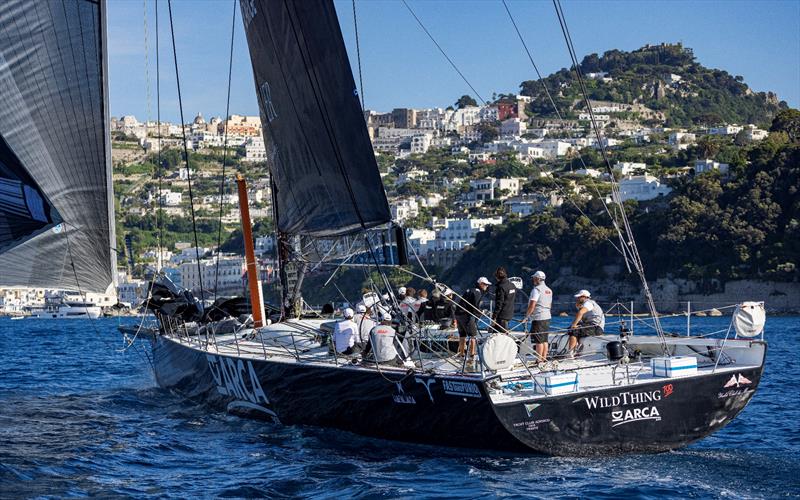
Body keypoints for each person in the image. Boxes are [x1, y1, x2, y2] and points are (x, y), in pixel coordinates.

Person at [455, 277, 490, 357]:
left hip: (458, 314)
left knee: (462, 335)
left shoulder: (470, 290)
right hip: (466, 315)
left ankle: (462, 354)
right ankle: (472, 354)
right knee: (473, 336)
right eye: (485, 284)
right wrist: (481, 312)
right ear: (480, 284)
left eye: (487, 285)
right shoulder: (477, 292)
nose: (487, 286)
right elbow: (475, 306)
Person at [523, 271, 553, 362]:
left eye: (534, 278)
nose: (533, 280)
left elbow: (532, 304)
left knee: (538, 340)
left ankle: (539, 360)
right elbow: (550, 304)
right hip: (547, 316)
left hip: (538, 317)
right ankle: (544, 358)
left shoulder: (536, 290)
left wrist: (526, 317)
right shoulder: (549, 290)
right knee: (544, 340)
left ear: (538, 279)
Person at [567, 289, 605, 358]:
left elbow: (581, 313)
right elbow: (581, 319)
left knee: (573, 330)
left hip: (596, 328)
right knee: (574, 328)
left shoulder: (589, 303)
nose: (577, 299)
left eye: (579, 297)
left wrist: (574, 325)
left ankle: (570, 353)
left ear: (584, 297)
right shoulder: (585, 305)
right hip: (592, 326)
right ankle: (576, 348)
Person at [491, 267, 516, 334]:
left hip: (501, 315)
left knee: (500, 335)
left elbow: (499, 303)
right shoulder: (512, 285)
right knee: (502, 333)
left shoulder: (501, 287)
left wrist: (494, 316)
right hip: (510, 313)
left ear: (497, 277)